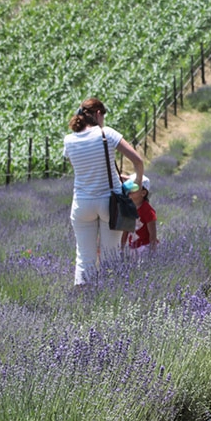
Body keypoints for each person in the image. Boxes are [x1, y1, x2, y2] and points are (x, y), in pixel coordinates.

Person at [63, 97, 145, 285]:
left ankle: (83, 301)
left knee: (84, 258)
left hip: (82, 203)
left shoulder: (69, 141)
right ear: (98, 114)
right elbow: (138, 161)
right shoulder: (106, 133)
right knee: (111, 257)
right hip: (110, 203)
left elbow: (83, 169)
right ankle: (109, 300)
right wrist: (138, 183)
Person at [121, 175, 157, 252]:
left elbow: (152, 234)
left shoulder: (148, 210)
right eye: (129, 187)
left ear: (143, 193)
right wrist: (122, 249)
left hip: (145, 247)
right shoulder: (129, 208)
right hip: (133, 247)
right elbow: (125, 231)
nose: (130, 190)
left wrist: (153, 252)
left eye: (134, 188)